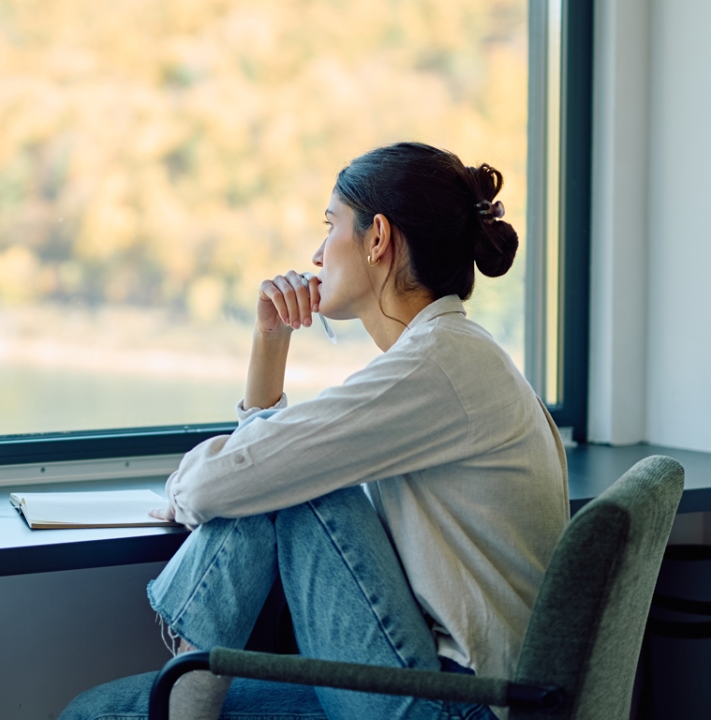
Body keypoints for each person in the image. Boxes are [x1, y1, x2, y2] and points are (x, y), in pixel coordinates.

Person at [60, 142, 569, 720]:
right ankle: (184, 706)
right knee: (96, 709)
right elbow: (262, 466)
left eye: (331, 226)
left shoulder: (439, 366)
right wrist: (270, 341)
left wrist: (183, 489)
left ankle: (184, 705)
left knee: (292, 483)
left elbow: (221, 483)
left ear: (378, 238)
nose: (317, 254)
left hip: (463, 706)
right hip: (454, 686)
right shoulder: (451, 355)